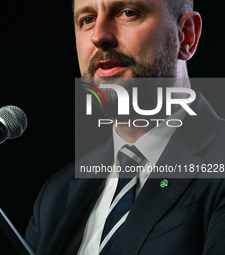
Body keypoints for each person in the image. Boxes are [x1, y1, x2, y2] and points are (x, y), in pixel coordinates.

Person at [25, 0, 225, 254]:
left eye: (128, 13)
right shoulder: (57, 194)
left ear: (186, 36)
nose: (99, 36)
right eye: (87, 19)